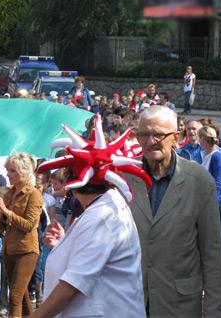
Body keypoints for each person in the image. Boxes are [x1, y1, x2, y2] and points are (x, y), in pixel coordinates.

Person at [29, 114, 146, 318]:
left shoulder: (101, 217)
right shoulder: (105, 206)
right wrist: (65, 244)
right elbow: (97, 259)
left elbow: (72, 285)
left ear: (72, 183)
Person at [128, 105, 221, 317]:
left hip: (180, 305)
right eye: (143, 134)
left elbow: (212, 255)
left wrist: (214, 312)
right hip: (131, 303)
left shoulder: (199, 181)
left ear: (176, 137)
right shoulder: (124, 178)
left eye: (159, 134)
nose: (150, 141)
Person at [0, 152, 43, 318]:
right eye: (8, 170)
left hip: (26, 251)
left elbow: (29, 225)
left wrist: (6, 211)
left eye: (12, 170)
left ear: (24, 172)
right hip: (9, 250)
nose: (8, 174)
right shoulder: (9, 194)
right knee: (21, 294)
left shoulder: (33, 194)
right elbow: (1, 228)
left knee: (15, 296)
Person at [198, 126, 221, 238]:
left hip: (218, 203)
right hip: (210, 202)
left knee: (216, 240)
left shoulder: (217, 157)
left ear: (202, 139)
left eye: (199, 137)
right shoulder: (206, 154)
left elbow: (218, 184)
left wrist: (210, 206)